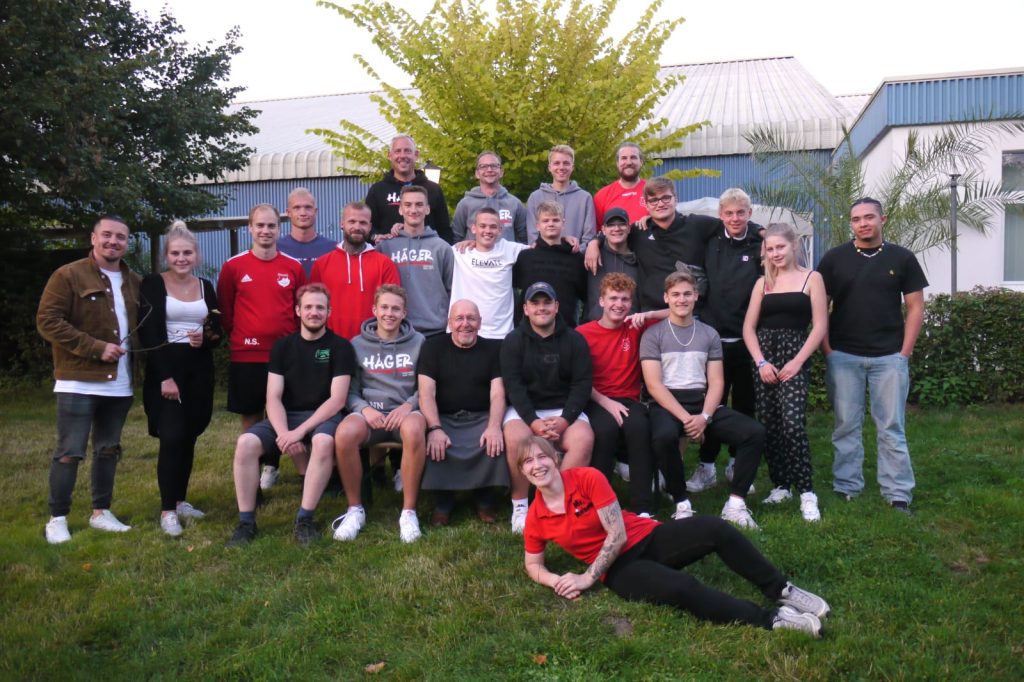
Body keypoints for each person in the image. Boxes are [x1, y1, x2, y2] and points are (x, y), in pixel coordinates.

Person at [518, 436, 828, 637]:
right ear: (522, 472)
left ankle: (781, 588)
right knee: (683, 588)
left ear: (555, 458)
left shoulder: (586, 478)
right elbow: (533, 565)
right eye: (528, 462)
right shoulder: (536, 517)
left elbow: (617, 533)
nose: (537, 465)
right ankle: (772, 619)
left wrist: (586, 577)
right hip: (619, 570)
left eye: (541, 457)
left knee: (715, 528)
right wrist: (557, 581)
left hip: (647, 537)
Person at [817, 198, 927, 513]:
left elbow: (916, 307)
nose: (863, 223)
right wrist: (828, 350)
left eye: (869, 217)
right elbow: (820, 307)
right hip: (843, 356)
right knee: (845, 425)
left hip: (889, 357)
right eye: (856, 219)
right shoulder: (834, 259)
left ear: (883, 219)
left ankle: (897, 493)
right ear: (851, 223)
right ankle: (847, 486)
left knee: (891, 427)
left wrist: (904, 352)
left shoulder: (902, 258)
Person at [37, 215, 142, 543]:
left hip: (120, 383)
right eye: (107, 235)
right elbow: (48, 321)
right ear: (93, 238)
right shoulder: (68, 275)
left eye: (121, 237)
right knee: (70, 451)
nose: (113, 241)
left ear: (127, 243)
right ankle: (57, 518)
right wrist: (96, 348)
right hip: (78, 381)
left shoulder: (134, 281)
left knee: (108, 449)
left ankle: (101, 512)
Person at [227, 284, 356, 546]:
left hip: (324, 417)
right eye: (308, 307)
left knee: (323, 442)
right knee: (246, 443)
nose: (314, 312)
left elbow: (337, 400)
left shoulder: (341, 347)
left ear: (329, 312)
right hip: (287, 416)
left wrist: (299, 432)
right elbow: (273, 397)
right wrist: (285, 433)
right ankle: (246, 523)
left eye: (320, 307)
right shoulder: (282, 347)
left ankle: (304, 519)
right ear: (298, 310)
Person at [640, 270, 765, 529]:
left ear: (696, 296)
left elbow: (717, 382)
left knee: (754, 433)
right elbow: (654, 385)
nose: (682, 299)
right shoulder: (653, 335)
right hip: (666, 403)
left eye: (687, 294)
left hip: (701, 401)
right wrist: (689, 420)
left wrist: (705, 417)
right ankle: (681, 503)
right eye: (675, 294)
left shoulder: (709, 334)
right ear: (666, 297)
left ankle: (736, 504)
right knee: (664, 436)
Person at [139, 221, 221, 537]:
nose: (181, 258)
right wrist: (165, 377)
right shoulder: (152, 284)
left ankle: (180, 499)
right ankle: (167, 511)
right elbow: (148, 332)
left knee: (190, 435)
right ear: (166, 256)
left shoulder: (205, 286)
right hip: (166, 367)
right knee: (172, 436)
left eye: (187, 253)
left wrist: (206, 338)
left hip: (198, 368)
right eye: (175, 253)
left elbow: (217, 331)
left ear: (196, 255)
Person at [217, 203, 307, 491]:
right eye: (260, 225)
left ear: (279, 229)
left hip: (286, 356)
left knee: (287, 414)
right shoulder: (233, 266)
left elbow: (300, 311)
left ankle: (284, 470)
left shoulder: (293, 267)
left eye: (271, 226)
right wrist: (245, 337)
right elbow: (226, 312)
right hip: (248, 355)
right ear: (250, 228)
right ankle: (252, 482)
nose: (265, 231)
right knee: (252, 416)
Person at [742, 224, 828, 522]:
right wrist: (760, 362)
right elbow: (748, 328)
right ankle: (781, 484)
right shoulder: (762, 282)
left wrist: (798, 361)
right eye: (770, 249)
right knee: (769, 424)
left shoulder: (812, 278)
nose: (775, 253)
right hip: (765, 359)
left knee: (792, 424)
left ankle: (806, 492)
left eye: (780, 247)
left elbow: (820, 325)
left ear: (794, 245)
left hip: (795, 356)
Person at [332, 284, 428, 543]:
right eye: (384, 307)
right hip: (370, 414)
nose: (389, 313)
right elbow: (350, 391)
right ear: (374, 309)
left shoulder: (419, 342)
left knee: (415, 429)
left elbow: (426, 387)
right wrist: (363, 409)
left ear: (404, 313)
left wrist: (408, 406)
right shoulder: (356, 344)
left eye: (396, 309)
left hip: (406, 412)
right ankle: (355, 510)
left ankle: (408, 512)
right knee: (344, 434)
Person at [685, 189, 764, 495]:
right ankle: (706, 466)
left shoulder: (759, 244)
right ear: (720, 215)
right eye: (729, 213)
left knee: (744, 404)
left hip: (746, 339)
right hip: (712, 338)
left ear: (749, 213)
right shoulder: (710, 239)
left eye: (741, 212)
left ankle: (735, 462)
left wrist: (761, 231)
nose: (735, 218)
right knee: (712, 405)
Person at [501, 281, 593, 532]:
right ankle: (520, 506)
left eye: (547, 302)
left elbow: (582, 384)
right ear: (526, 309)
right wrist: (533, 421)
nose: (541, 308)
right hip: (525, 411)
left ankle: (557, 502)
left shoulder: (575, 339)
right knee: (516, 439)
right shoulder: (513, 341)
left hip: (564, 410)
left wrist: (565, 420)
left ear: (557, 307)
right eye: (535, 303)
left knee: (583, 439)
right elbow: (513, 386)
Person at [577, 273, 666, 516]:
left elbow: (677, 313)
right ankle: (599, 505)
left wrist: (646, 314)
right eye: (613, 298)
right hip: (596, 399)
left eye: (625, 299)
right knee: (604, 432)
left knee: (638, 428)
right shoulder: (583, 333)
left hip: (628, 400)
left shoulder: (634, 327)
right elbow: (579, 380)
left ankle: (642, 508)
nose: (619, 304)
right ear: (601, 301)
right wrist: (606, 403)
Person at [417, 300, 507, 525]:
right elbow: (426, 393)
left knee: (492, 439)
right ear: (449, 322)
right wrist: (434, 427)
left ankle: (484, 500)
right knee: (437, 442)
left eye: (471, 318)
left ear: (480, 323)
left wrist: (494, 426)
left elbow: (498, 393)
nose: (465, 324)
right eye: (459, 318)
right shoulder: (432, 347)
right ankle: (443, 503)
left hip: (481, 417)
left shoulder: (494, 349)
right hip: (443, 418)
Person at [584, 176, 720, 312]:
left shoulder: (697, 225)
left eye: (666, 198)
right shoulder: (639, 231)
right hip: (650, 314)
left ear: (676, 199)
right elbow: (615, 233)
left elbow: (729, 224)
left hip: (690, 311)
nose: (660, 204)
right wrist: (594, 242)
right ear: (646, 205)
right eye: (654, 200)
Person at [310, 201, 400, 341]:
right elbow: (313, 307)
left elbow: (393, 306)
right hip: (331, 343)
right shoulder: (321, 264)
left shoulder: (384, 264)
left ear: (370, 227)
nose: (357, 227)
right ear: (342, 224)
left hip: (372, 343)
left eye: (363, 223)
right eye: (352, 221)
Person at [377, 185, 454, 336]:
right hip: (396, 331)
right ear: (400, 209)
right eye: (408, 205)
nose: (413, 210)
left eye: (419, 205)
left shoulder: (442, 248)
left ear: (427, 209)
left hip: (435, 331)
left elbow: (453, 290)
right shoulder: (385, 247)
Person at [449, 207, 529, 339]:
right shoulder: (459, 251)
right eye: (482, 226)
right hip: (464, 332)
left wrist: (563, 239)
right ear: (473, 228)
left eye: (493, 227)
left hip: (501, 334)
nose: (487, 231)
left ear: (500, 230)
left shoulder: (510, 249)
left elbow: (540, 250)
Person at [364, 134, 452, 243]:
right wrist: (375, 237)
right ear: (389, 155)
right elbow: (366, 226)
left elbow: (444, 230)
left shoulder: (433, 189)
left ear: (416, 155)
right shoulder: (377, 190)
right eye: (397, 151)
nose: (402, 155)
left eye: (407, 151)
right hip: (389, 252)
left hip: (426, 252)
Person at [513, 200, 587, 328]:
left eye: (555, 220)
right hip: (527, 329)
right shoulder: (525, 257)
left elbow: (587, 297)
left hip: (565, 330)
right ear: (537, 225)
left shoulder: (576, 259)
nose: (551, 224)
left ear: (563, 223)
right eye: (545, 221)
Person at [526, 144, 596, 247]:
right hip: (543, 255)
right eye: (557, 163)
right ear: (550, 167)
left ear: (572, 167)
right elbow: (533, 236)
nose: (561, 167)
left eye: (566, 163)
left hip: (575, 255)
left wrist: (577, 251)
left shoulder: (585, 198)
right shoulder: (535, 197)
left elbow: (589, 236)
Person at [451, 151, 528, 243]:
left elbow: (524, 239)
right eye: (483, 166)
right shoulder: (465, 204)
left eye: (494, 166)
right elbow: (455, 238)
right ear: (477, 173)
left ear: (501, 172)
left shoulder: (514, 203)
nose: (489, 169)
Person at [583, 207, 638, 323]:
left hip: (630, 326)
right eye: (611, 225)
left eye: (622, 224)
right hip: (595, 325)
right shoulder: (591, 255)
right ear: (603, 229)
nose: (616, 228)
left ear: (629, 228)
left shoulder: (640, 257)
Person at [277, 187, 337, 276]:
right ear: (288, 213)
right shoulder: (276, 249)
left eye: (308, 207)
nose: (303, 213)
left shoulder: (332, 249)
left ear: (315, 212)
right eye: (297, 208)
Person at [593, 142, 648, 228]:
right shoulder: (602, 196)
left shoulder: (653, 190)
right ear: (617, 163)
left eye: (633, 157)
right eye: (624, 158)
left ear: (641, 162)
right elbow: (598, 231)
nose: (629, 162)